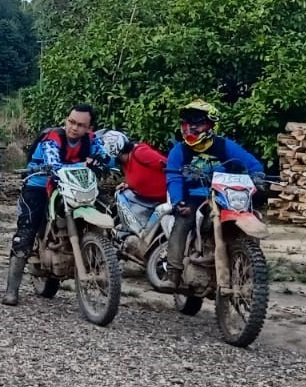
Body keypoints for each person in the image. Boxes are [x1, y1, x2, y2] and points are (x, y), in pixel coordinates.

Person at [1, 104, 106, 307]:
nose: (74, 128)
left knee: (107, 209)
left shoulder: (92, 140)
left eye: (81, 125)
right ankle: (11, 290)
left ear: (89, 127)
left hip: (76, 186)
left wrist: (101, 161)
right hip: (39, 183)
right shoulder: (53, 138)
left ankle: (103, 259)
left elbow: (107, 158)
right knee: (26, 231)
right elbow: (54, 164)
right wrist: (85, 164)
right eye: (71, 122)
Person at [164, 100, 264, 289]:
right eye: (187, 123)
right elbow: (173, 178)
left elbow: (253, 164)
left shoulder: (224, 146)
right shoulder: (179, 151)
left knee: (251, 215)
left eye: (198, 123)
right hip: (194, 197)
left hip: (224, 196)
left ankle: (250, 268)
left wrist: (257, 177)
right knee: (183, 220)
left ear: (210, 125)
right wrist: (178, 201)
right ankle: (173, 274)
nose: (191, 128)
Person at [102, 130, 167, 204]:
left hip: (171, 201)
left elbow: (169, 165)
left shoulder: (140, 153)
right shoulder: (125, 164)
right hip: (155, 205)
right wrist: (127, 185)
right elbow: (142, 178)